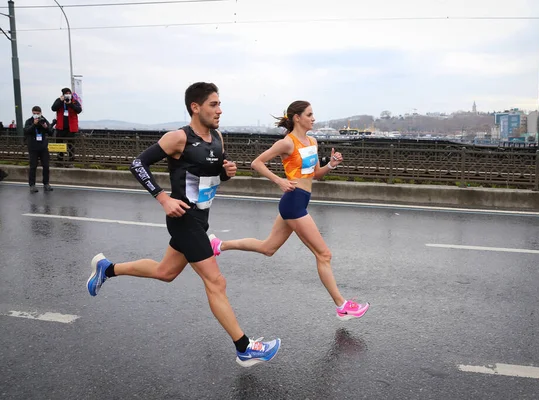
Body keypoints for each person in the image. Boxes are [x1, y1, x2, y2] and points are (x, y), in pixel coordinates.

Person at [85, 82, 280, 367]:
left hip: (201, 219)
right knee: (216, 281)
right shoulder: (179, 137)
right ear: (195, 107)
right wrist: (163, 198)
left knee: (165, 272)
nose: (219, 110)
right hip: (182, 220)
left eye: (219, 104)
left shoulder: (217, 138)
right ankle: (244, 347)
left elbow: (211, 175)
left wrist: (227, 172)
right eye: (214, 104)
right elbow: (138, 164)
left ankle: (108, 269)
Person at [209, 101, 370, 321]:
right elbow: (257, 163)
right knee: (324, 254)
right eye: (309, 114)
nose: (313, 118)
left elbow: (315, 175)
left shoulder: (312, 141)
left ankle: (220, 245)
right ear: (297, 117)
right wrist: (279, 181)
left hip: (300, 200)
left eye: (313, 114)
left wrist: (331, 164)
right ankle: (342, 306)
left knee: (268, 248)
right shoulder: (287, 143)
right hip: (293, 202)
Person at [24, 106, 53, 193]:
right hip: (33, 147)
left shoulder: (44, 120)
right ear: (32, 113)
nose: (36, 115)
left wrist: (46, 127)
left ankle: (46, 183)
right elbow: (26, 131)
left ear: (41, 113)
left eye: (37, 113)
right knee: (33, 166)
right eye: (34, 113)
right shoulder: (29, 121)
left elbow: (51, 132)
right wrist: (34, 124)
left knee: (46, 166)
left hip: (43, 147)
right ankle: (32, 185)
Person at [51, 88, 82, 165]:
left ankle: (70, 161)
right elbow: (53, 108)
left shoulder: (74, 101)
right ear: (63, 94)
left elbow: (79, 110)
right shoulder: (59, 100)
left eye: (69, 93)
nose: (68, 95)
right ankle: (59, 160)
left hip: (71, 128)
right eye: (66, 94)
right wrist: (61, 101)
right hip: (60, 127)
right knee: (59, 144)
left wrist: (70, 104)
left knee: (70, 145)